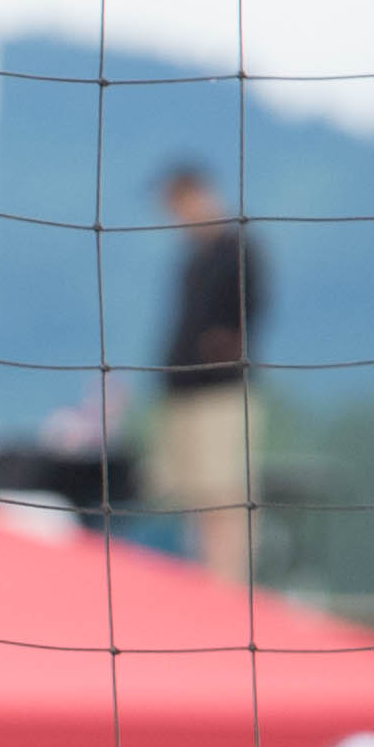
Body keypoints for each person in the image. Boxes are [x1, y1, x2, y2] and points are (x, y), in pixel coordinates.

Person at [142, 166, 266, 591]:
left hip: (221, 391)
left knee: (224, 494)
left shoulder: (237, 248)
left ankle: (228, 585)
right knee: (194, 496)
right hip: (184, 391)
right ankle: (209, 581)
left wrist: (220, 347)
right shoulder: (193, 255)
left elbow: (251, 313)